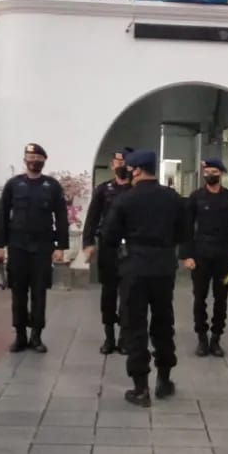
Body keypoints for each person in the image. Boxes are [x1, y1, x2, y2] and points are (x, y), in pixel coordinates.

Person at [103, 150, 188, 408]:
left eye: (130, 168)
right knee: (163, 323)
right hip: (163, 268)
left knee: (134, 326)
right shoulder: (173, 198)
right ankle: (164, 380)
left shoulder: (126, 200)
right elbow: (183, 232)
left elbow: (108, 236)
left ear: (137, 170)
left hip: (135, 268)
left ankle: (140, 389)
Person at [0, 143, 69, 354]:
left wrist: (61, 246)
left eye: (37, 157)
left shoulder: (52, 186)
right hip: (17, 247)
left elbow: (61, 216)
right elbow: (2, 215)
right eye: (30, 156)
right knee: (18, 293)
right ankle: (20, 336)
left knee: (39, 293)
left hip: (42, 248)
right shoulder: (13, 185)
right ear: (24, 160)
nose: (33, 160)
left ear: (44, 160)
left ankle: (36, 336)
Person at [179, 158, 228, 357]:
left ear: (221, 174)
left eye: (214, 171)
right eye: (207, 171)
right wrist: (186, 255)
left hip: (224, 258)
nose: (210, 174)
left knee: (221, 298)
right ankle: (202, 338)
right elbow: (186, 228)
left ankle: (216, 337)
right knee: (199, 298)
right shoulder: (195, 197)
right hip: (200, 257)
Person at [82, 147, 134, 355]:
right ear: (112, 165)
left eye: (124, 163)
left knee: (128, 294)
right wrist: (88, 242)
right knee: (109, 293)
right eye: (117, 162)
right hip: (108, 248)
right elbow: (92, 218)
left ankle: (124, 337)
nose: (120, 166)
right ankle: (109, 336)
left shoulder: (135, 190)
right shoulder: (103, 190)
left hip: (131, 248)